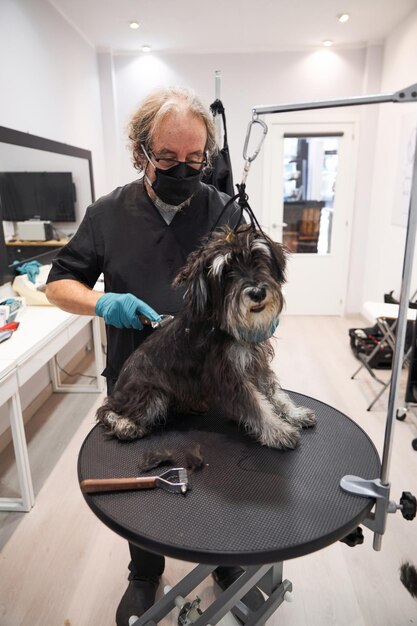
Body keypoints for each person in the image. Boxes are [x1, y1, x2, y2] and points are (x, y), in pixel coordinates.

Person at [45, 86, 264, 626]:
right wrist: (102, 301)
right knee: (141, 485)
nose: (182, 171)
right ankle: (144, 574)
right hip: (136, 380)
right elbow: (58, 284)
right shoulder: (107, 213)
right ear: (141, 150)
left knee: (221, 477)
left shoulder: (222, 210)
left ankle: (224, 562)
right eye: (167, 158)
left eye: (195, 160)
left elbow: (256, 277)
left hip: (212, 379)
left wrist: (260, 316)